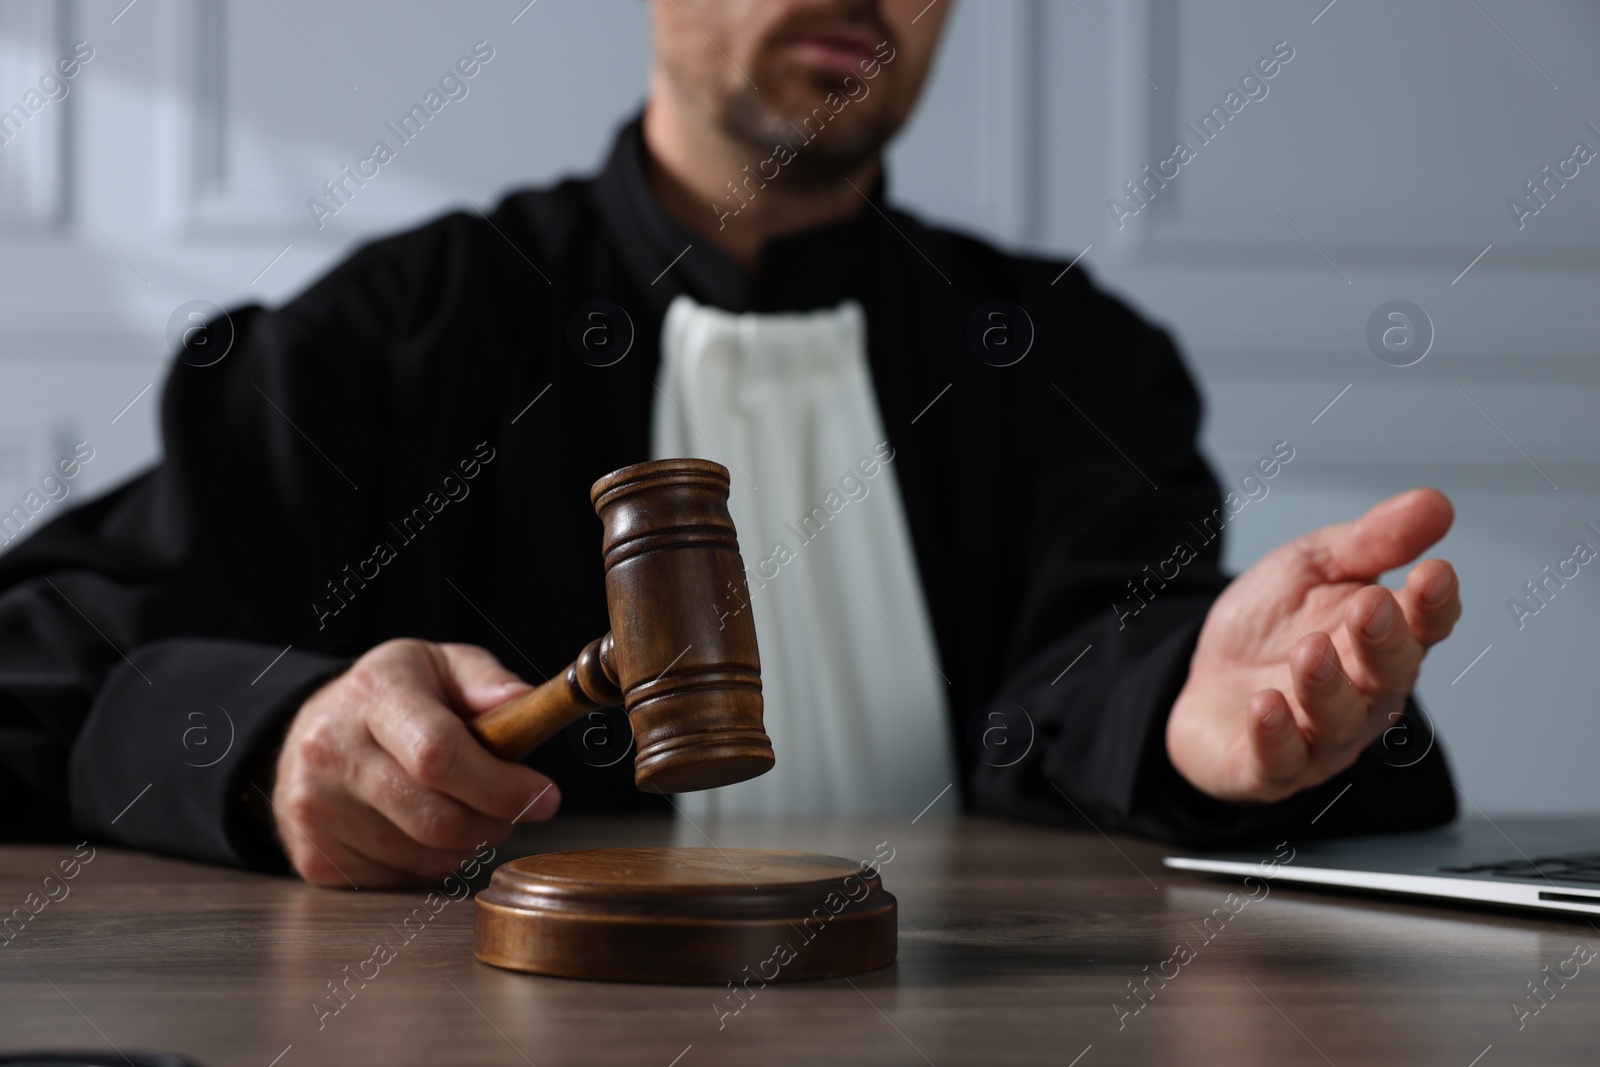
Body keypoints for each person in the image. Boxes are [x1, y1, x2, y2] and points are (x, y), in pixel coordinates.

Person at [0, 0, 1461, 887]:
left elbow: (1099, 664)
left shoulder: (1076, 362)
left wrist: (1193, 731)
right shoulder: (394, 336)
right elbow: (34, 658)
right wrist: (269, 746)